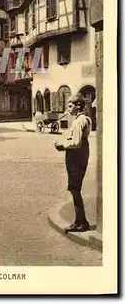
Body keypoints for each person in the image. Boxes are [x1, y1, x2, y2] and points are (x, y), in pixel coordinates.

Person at [54, 93, 91, 233]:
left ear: (78, 106)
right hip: (78, 155)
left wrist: (62, 146)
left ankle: (81, 223)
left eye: (70, 106)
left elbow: (76, 142)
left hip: (77, 157)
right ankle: (80, 221)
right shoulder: (80, 119)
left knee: (75, 189)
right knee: (74, 189)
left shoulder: (79, 121)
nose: (68, 108)